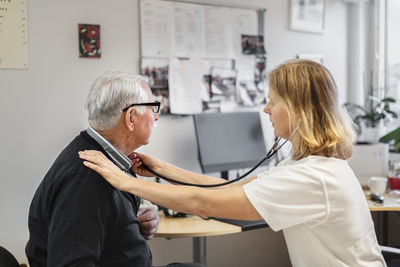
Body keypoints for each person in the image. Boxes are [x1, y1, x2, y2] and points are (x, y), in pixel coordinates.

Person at [78, 60, 386, 266]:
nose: (266, 110)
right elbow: (231, 188)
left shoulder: (313, 177)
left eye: (273, 101)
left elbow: (204, 204)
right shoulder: (307, 164)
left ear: (298, 110)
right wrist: (162, 170)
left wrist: (127, 181)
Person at [26, 71, 203, 267]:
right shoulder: (86, 179)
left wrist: (132, 222)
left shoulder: (106, 159)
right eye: (153, 108)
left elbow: (98, 219)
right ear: (131, 118)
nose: (156, 117)